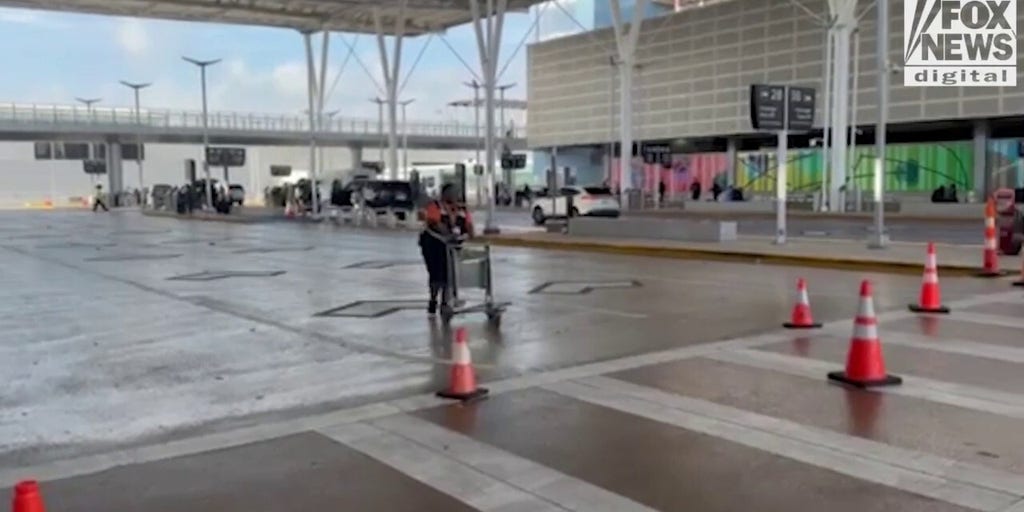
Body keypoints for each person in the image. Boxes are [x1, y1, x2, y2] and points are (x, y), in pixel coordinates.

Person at [419, 183, 474, 316]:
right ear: (445, 195)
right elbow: (434, 223)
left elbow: (469, 227)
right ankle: (433, 300)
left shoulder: (462, 210)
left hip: (452, 246)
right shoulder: (435, 207)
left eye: (457, 194)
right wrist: (448, 234)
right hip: (433, 245)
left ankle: (445, 302)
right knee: (437, 274)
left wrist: (467, 234)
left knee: (449, 275)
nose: (456, 196)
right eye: (453, 193)